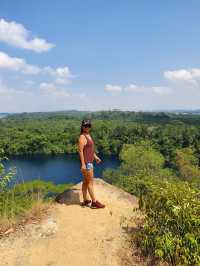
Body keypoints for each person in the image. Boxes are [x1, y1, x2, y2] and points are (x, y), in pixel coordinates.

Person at [78, 119, 105, 208]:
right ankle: (94, 202)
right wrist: (83, 164)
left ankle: (86, 200)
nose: (87, 128)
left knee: (86, 181)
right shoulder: (82, 137)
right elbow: (81, 151)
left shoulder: (88, 135)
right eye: (85, 126)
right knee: (90, 182)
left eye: (89, 126)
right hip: (87, 163)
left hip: (90, 161)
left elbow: (90, 150)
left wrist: (96, 157)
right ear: (82, 127)